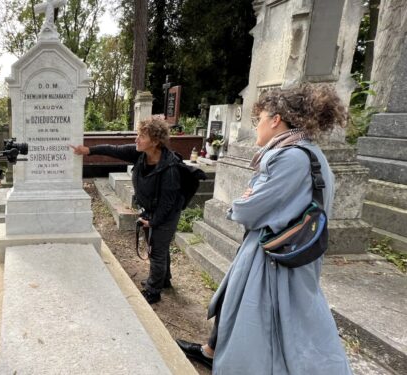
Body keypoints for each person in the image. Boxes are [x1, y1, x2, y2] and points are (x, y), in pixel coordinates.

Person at [175, 84, 352, 374]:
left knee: (264, 326)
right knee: (246, 307)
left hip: (275, 260)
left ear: (276, 119)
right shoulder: (310, 154)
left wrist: (242, 202)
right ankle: (212, 351)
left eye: (260, 118)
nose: (256, 125)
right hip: (285, 253)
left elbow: (248, 209)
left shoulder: (290, 157)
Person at [70, 115, 183, 304]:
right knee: (157, 245)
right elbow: (113, 150)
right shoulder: (140, 153)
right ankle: (164, 280)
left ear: (155, 142)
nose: (136, 139)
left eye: (142, 136)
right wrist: (88, 150)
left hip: (166, 213)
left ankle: (153, 291)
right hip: (150, 208)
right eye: (137, 135)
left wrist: (153, 221)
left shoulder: (170, 168)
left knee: (156, 251)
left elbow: (168, 202)